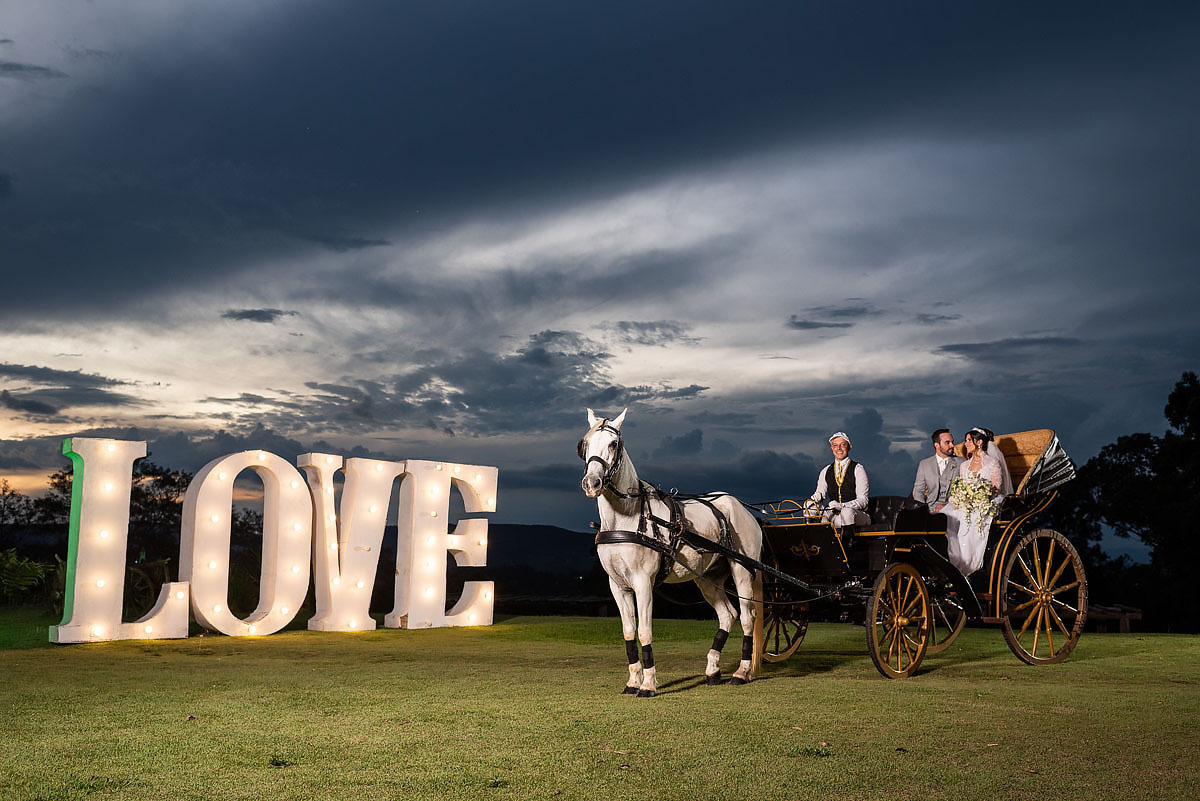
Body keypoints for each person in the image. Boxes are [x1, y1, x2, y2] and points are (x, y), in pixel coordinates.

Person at [943, 427, 1013, 575]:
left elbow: (997, 488)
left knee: (972, 517)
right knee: (949, 515)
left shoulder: (992, 462)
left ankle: (968, 564)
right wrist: (963, 496)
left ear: (979, 442)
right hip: (967, 500)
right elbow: (962, 485)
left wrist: (980, 493)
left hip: (987, 499)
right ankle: (950, 560)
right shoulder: (964, 465)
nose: (965, 443)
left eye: (969, 440)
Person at [809, 432, 870, 529]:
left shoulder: (858, 469)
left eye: (843, 445)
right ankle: (812, 541)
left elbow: (863, 500)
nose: (839, 448)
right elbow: (820, 494)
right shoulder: (825, 471)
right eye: (835, 445)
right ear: (832, 448)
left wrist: (843, 506)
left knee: (846, 512)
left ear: (849, 447)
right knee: (809, 505)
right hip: (835, 515)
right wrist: (817, 497)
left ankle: (848, 544)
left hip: (858, 515)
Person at [913, 428, 960, 512]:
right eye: (947, 442)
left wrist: (948, 506)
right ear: (937, 445)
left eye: (952, 442)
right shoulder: (924, 464)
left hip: (954, 509)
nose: (952, 445)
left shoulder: (961, 463)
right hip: (929, 509)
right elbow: (918, 491)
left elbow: (965, 492)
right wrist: (923, 510)